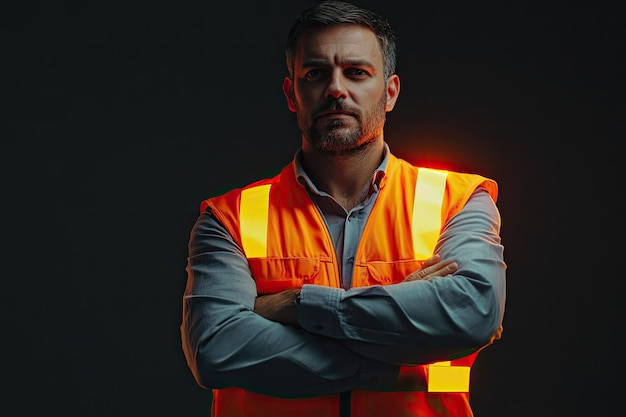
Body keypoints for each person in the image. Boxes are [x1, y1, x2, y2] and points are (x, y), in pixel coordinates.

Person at [180, 1, 506, 416]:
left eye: (356, 72)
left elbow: (473, 312)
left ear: (389, 93)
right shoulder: (227, 217)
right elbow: (216, 349)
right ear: (291, 94)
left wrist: (297, 305)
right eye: (316, 73)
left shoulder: (458, 199)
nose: (336, 88)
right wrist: (396, 356)